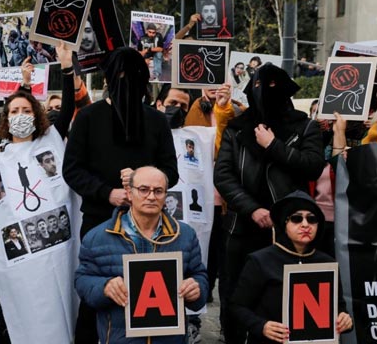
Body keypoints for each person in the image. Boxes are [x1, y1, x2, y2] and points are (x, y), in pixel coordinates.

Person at [64, 47, 179, 343]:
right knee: (96, 298)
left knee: (150, 301)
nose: (128, 82)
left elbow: (171, 171)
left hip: (151, 226)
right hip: (100, 222)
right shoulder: (88, 118)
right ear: (109, 79)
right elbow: (72, 169)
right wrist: (108, 193)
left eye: (135, 76)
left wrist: (143, 180)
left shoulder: (155, 121)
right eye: (122, 76)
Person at [214, 63, 324, 344]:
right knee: (236, 297)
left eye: (274, 88)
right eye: (261, 89)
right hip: (241, 227)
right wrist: (253, 209)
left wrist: (274, 145)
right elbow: (223, 175)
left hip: (287, 231)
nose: (267, 95)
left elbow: (312, 166)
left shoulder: (305, 125)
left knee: (282, 298)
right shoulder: (237, 128)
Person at [0, 42, 81, 344]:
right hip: (19, 257)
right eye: (15, 111)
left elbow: (68, 109)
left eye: (26, 110)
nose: (21, 114)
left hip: (55, 252)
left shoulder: (50, 141)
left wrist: (66, 67)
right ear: (6, 117)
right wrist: (23, 85)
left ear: (36, 115)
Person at [75, 166, 208, 344]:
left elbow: (199, 274)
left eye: (158, 191)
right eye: (143, 190)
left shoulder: (184, 235)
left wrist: (197, 288)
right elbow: (82, 280)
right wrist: (104, 287)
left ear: (166, 195)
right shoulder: (98, 237)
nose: (151, 197)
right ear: (129, 193)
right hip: (120, 339)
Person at [230, 191, 353, 343]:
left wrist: (345, 318)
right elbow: (237, 306)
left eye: (312, 219)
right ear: (284, 223)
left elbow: (339, 307)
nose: (305, 224)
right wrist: (261, 326)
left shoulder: (327, 263)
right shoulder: (260, 260)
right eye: (296, 218)